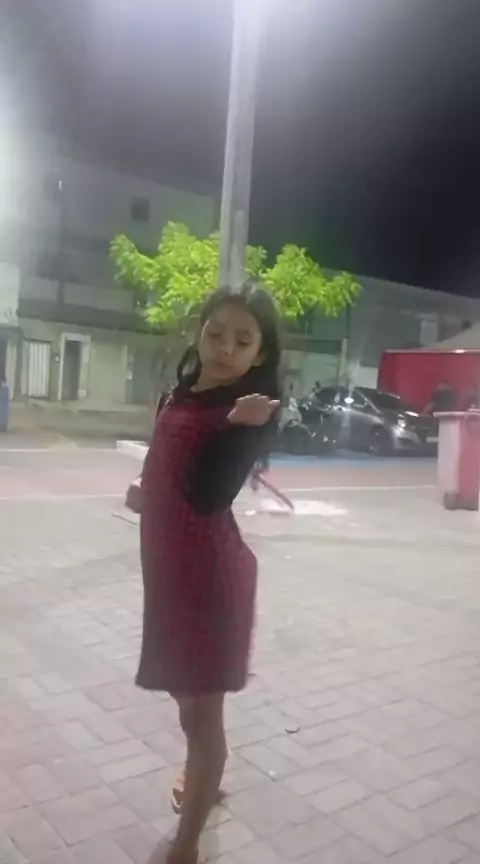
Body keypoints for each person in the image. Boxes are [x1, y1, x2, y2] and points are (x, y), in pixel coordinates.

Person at [136, 283, 281, 864]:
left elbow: (209, 494)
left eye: (242, 341)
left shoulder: (249, 411)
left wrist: (239, 430)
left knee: (202, 716)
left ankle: (187, 845)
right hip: (169, 576)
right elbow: (169, 468)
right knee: (187, 699)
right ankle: (203, 773)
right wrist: (145, 492)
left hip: (209, 581)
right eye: (216, 332)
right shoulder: (180, 395)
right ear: (199, 331)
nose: (225, 348)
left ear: (260, 353)